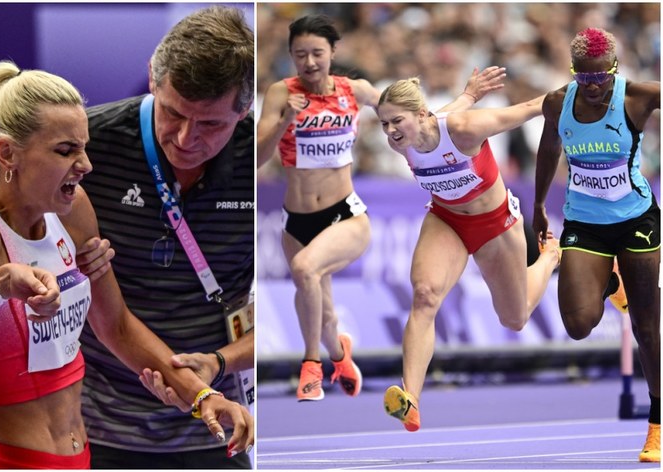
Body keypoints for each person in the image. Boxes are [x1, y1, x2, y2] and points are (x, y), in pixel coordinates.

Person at [0, 60, 253, 469]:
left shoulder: (71, 212)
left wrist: (202, 395)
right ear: (7, 153)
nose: (86, 165)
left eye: (84, 147)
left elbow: (116, 326)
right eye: (65, 150)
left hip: (84, 460)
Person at [255, 14, 507, 403]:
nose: (308, 63)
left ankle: (310, 367)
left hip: (345, 214)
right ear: (289, 55)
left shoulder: (354, 91)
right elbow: (257, 157)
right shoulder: (279, 93)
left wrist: (468, 96)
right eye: (299, 54)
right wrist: (285, 118)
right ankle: (339, 356)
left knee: (306, 268)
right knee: (324, 314)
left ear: (333, 52)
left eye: (317, 53)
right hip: (295, 220)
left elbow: (416, 117)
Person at [75, 5, 256, 468]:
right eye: (172, 112)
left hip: (218, 424)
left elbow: (291, 306)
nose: (185, 138)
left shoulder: (263, 161)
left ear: (245, 109)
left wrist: (218, 363)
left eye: (211, 123)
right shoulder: (87, 149)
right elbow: (104, 315)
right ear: (152, 80)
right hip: (96, 423)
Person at [375, 77, 562, 432]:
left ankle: (551, 255)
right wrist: (467, 94)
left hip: (496, 225)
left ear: (419, 113)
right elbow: (436, 118)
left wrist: (577, 91)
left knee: (515, 318)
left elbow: (527, 109)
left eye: (396, 121)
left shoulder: (464, 129)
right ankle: (411, 399)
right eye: (384, 123)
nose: (391, 131)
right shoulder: (405, 142)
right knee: (425, 296)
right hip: (446, 220)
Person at [532, 27, 660, 463]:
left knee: (646, 327)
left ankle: (657, 425)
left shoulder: (637, 97)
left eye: (600, 78)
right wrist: (537, 206)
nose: (592, 87)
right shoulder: (557, 103)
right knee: (578, 324)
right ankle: (609, 283)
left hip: (636, 221)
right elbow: (549, 148)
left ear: (614, 70)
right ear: (573, 73)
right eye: (583, 78)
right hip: (584, 223)